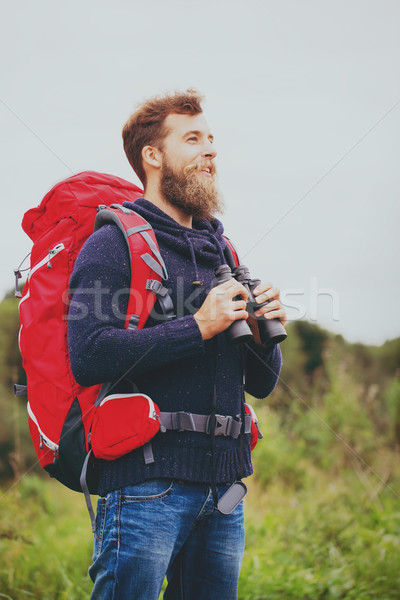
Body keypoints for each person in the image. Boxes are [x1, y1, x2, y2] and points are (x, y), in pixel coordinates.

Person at [68, 89, 286, 600]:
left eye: (211, 139)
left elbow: (263, 384)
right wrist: (199, 326)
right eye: (192, 139)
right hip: (146, 488)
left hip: (224, 491)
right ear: (153, 155)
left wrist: (264, 334)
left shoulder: (222, 251)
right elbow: (89, 355)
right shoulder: (113, 242)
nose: (211, 150)